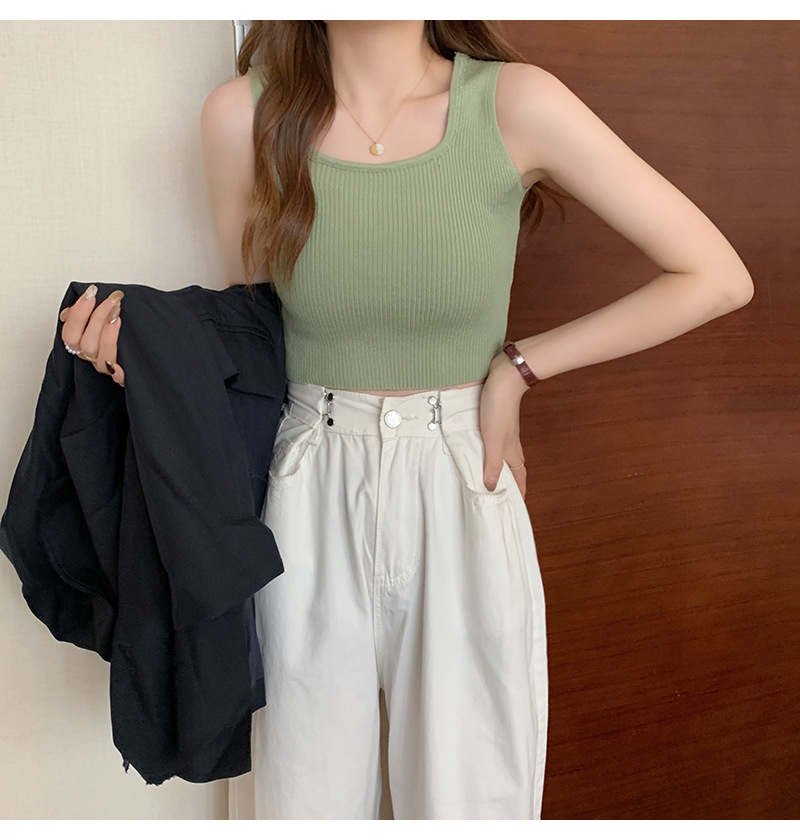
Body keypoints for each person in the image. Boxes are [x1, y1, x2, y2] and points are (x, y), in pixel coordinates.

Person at [58, 21, 753, 820]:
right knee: (299, 807)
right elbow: (250, 346)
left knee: (471, 806)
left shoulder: (515, 104)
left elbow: (715, 275)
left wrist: (518, 370)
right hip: (302, 494)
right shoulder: (241, 117)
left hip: (460, 480)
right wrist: (143, 362)